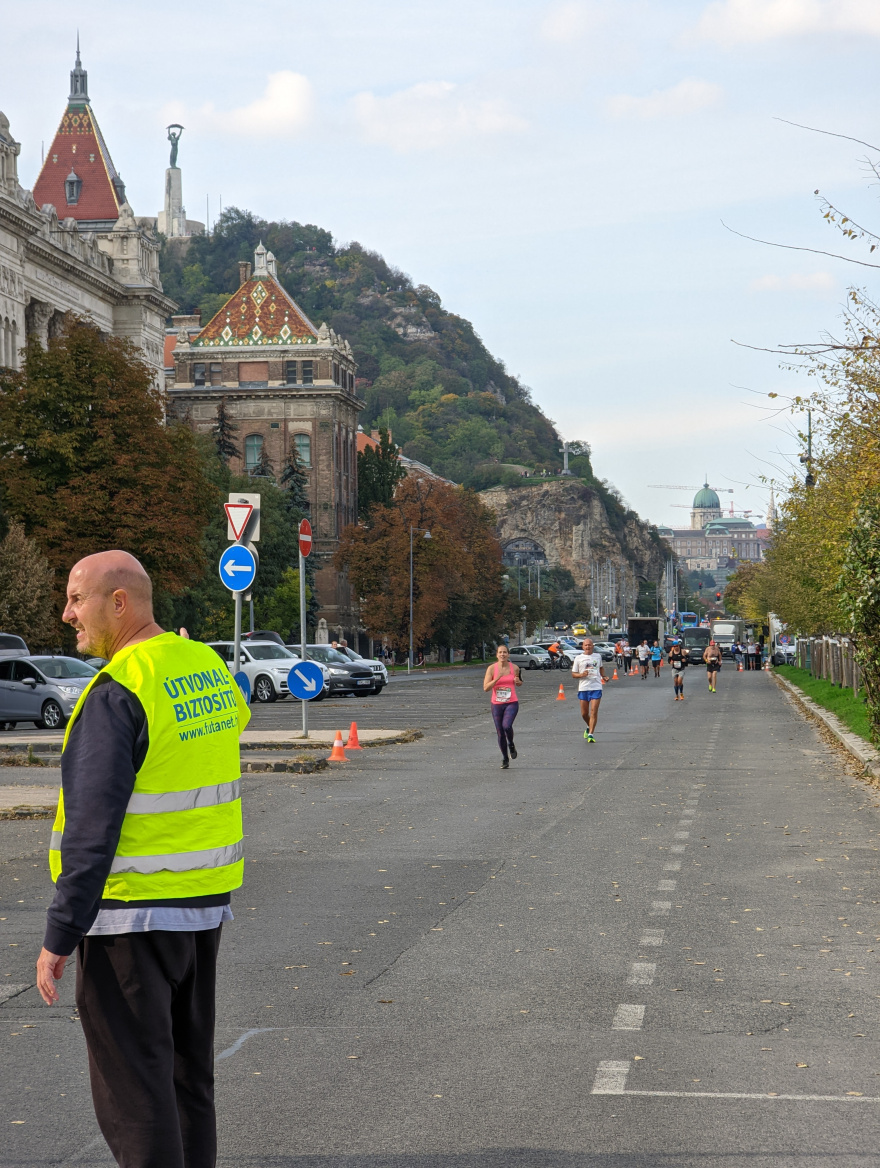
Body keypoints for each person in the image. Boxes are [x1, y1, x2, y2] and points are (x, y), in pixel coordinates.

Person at [36, 550, 251, 1168]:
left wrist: (60, 933)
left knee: (136, 1097)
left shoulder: (118, 690)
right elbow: (233, 715)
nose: (67, 612)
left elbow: (90, 829)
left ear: (120, 602)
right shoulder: (203, 662)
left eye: (78, 599)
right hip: (201, 913)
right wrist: (184, 653)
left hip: (129, 921)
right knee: (188, 1081)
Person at [483, 644, 522, 768]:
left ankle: (511, 743)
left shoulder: (515, 668)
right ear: (497, 655)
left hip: (511, 702)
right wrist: (496, 679)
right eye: (500, 652)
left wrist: (518, 682)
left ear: (508, 654)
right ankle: (505, 758)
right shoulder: (491, 669)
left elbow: (520, 682)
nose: (502, 654)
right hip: (497, 704)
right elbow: (485, 688)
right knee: (500, 732)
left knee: (507, 726)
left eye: (505, 652)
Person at [572, 637, 607, 743]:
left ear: (593, 646)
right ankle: (588, 725)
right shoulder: (578, 658)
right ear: (583, 647)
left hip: (596, 687)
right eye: (586, 645)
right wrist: (581, 674)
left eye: (590, 645)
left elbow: (600, 668)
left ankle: (591, 734)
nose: (588, 647)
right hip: (583, 688)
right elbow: (573, 674)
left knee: (593, 711)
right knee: (584, 713)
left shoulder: (597, 656)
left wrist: (604, 676)